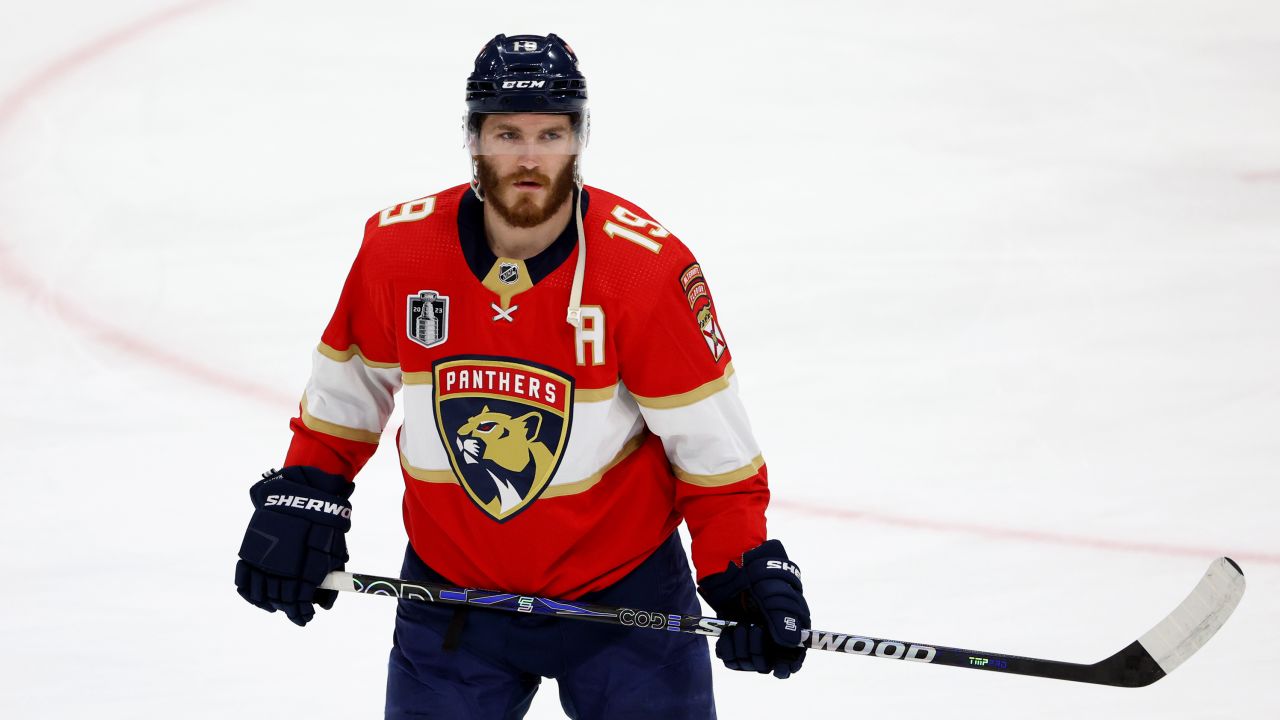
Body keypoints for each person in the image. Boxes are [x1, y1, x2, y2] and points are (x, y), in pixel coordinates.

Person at [234, 33, 811, 719]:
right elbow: (348, 393)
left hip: (623, 599)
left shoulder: (644, 272)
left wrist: (743, 566)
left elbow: (711, 451)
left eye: (551, 134)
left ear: (579, 140)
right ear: (474, 140)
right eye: (507, 133)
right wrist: (307, 489)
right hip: (452, 597)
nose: (530, 157)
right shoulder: (400, 250)